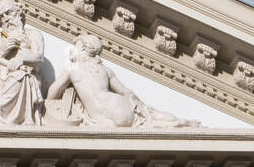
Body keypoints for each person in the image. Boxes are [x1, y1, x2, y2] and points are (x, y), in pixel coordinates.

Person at [46, 33, 197, 128]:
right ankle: (181, 122)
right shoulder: (105, 70)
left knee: (154, 123)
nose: (73, 50)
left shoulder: (73, 68)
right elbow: (126, 92)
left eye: (76, 46)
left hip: (104, 116)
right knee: (151, 116)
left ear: (84, 48)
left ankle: (178, 123)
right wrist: (142, 105)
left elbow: (52, 94)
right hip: (121, 106)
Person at [0, 0, 45, 125]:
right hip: (5, 80)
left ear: (19, 13)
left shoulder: (33, 34)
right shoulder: (0, 43)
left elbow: (38, 58)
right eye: (1, 16)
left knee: (19, 76)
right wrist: (2, 52)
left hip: (27, 77)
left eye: (9, 12)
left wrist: (21, 59)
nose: (6, 18)